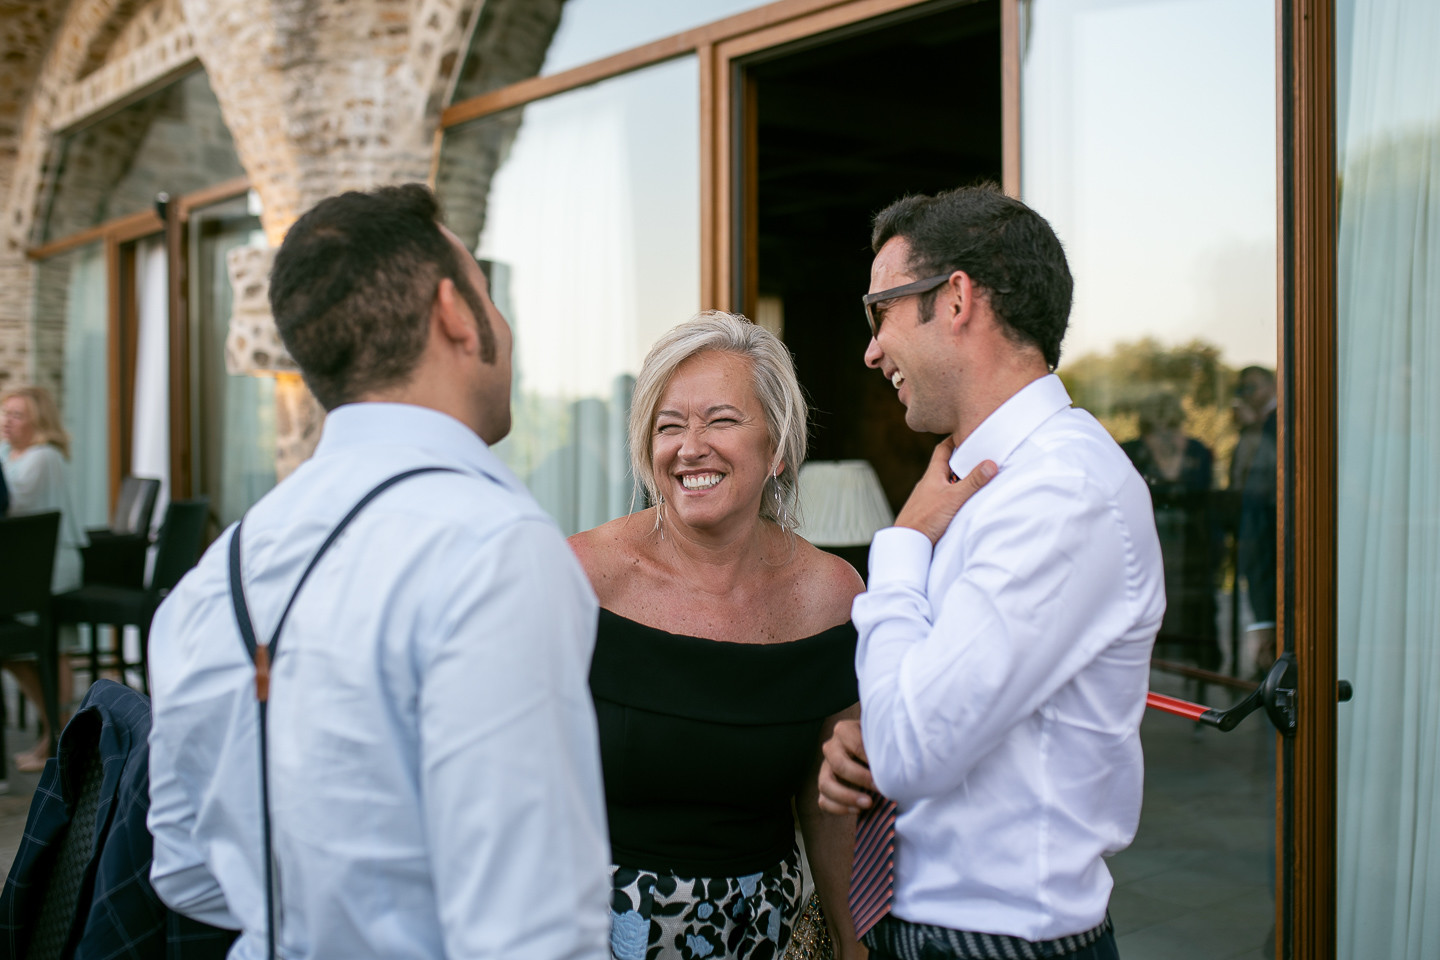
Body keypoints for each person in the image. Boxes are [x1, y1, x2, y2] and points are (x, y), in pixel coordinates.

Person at [146, 184, 611, 959]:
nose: (503, 325)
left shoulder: (215, 573)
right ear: (454, 312)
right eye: (488, 293)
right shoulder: (491, 548)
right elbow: (536, 936)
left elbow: (187, 871)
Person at [818, 185, 1165, 960]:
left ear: (955, 299)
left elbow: (914, 750)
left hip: (997, 944)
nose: (871, 351)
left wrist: (901, 544)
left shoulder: (1063, 492)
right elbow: (926, 720)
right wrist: (869, 741)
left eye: (879, 312)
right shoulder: (983, 486)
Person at [568, 312, 872, 960]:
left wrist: (852, 944)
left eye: (721, 420)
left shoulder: (831, 596)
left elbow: (828, 802)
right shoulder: (581, 578)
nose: (690, 447)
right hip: (598, 934)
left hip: (769, 937)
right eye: (668, 426)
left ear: (778, 447)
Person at [1, 384, 87, 771]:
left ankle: (60, 736)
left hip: (51, 566)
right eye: (5, 413)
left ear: (39, 421)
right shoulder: (8, 453)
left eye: (17, 415)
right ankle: (57, 733)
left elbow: (12, 505)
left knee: (52, 648)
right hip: (23, 567)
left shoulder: (44, 457)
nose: (7, 421)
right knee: (22, 649)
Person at [1121, 391, 1219, 669]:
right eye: (1156, 425)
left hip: (1192, 547)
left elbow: (1208, 501)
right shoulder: (1129, 451)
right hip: (1147, 545)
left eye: (1172, 423)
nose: (1164, 431)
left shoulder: (1198, 451)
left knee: (1195, 610)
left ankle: (1201, 673)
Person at [1229, 365, 1277, 672]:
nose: (1247, 395)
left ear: (1272, 385)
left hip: (1271, 518)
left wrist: (1253, 428)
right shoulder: (1254, 424)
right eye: (1242, 389)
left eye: (1253, 387)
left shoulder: (1278, 419)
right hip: (1253, 519)